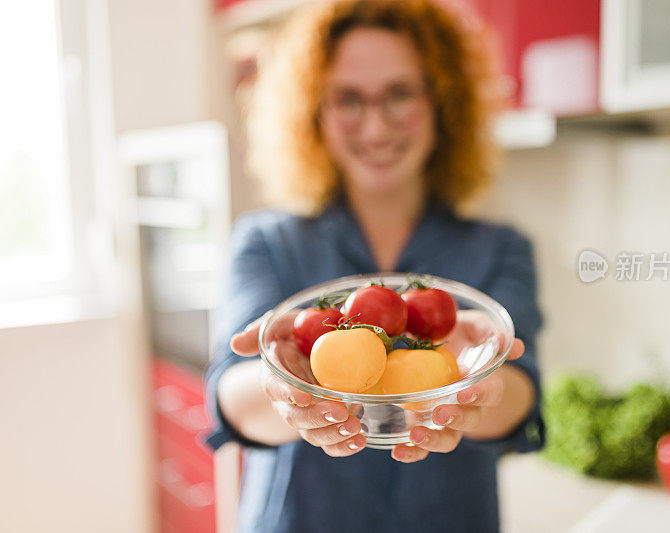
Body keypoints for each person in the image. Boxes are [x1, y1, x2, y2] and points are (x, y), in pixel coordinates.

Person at [204, 1, 545, 531]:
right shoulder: (267, 240)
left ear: (443, 102)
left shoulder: (500, 247)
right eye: (348, 99)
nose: (376, 125)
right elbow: (231, 393)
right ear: (315, 112)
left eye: (400, 93)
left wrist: (482, 383)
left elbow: (522, 393)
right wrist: (284, 391)